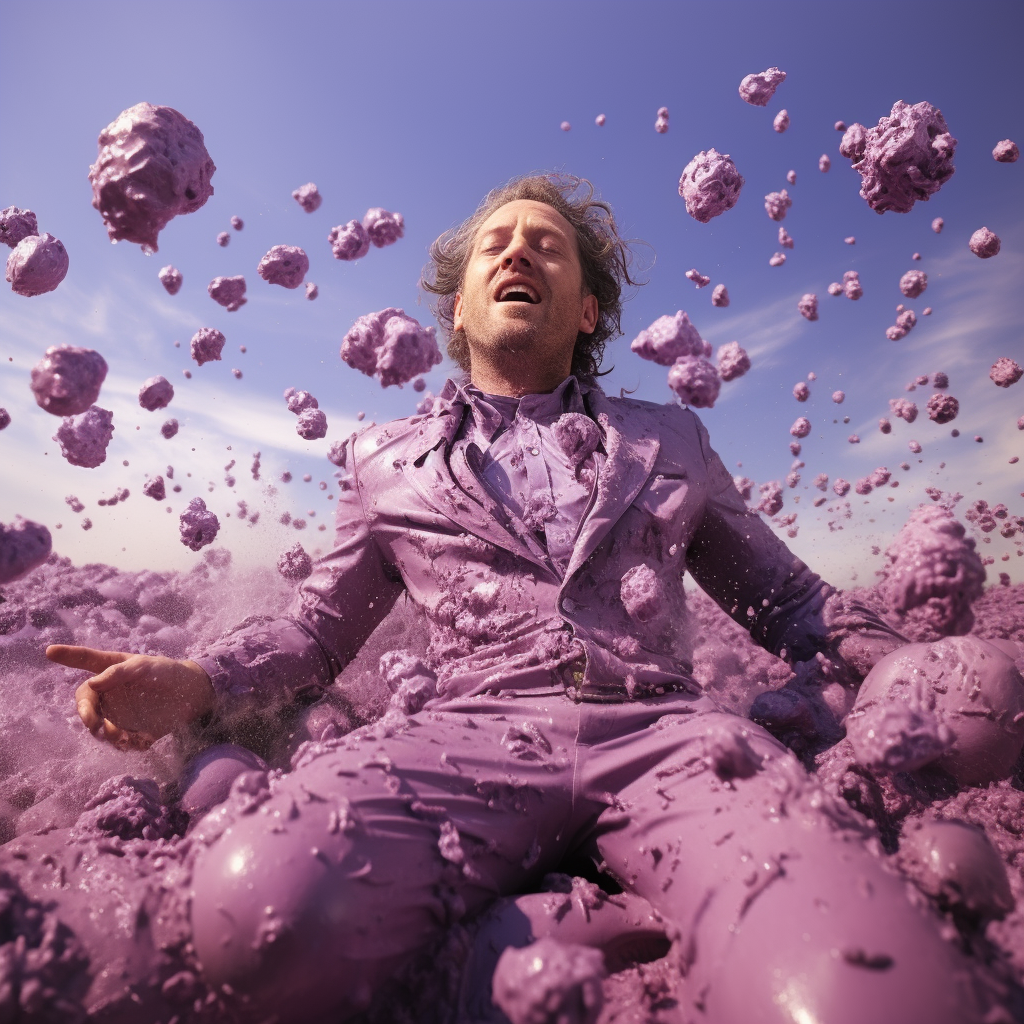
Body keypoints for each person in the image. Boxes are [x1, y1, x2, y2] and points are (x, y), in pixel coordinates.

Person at [41, 175, 994, 1023]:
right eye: (497, 243)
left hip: (673, 739)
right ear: (456, 308)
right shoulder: (380, 460)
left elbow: (788, 597)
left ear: (586, 311)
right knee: (257, 920)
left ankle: (571, 925)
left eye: (548, 244)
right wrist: (200, 680)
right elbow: (315, 632)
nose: (518, 251)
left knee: (871, 996)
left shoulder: (672, 436)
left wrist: (904, 661)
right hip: (465, 738)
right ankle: (549, 940)